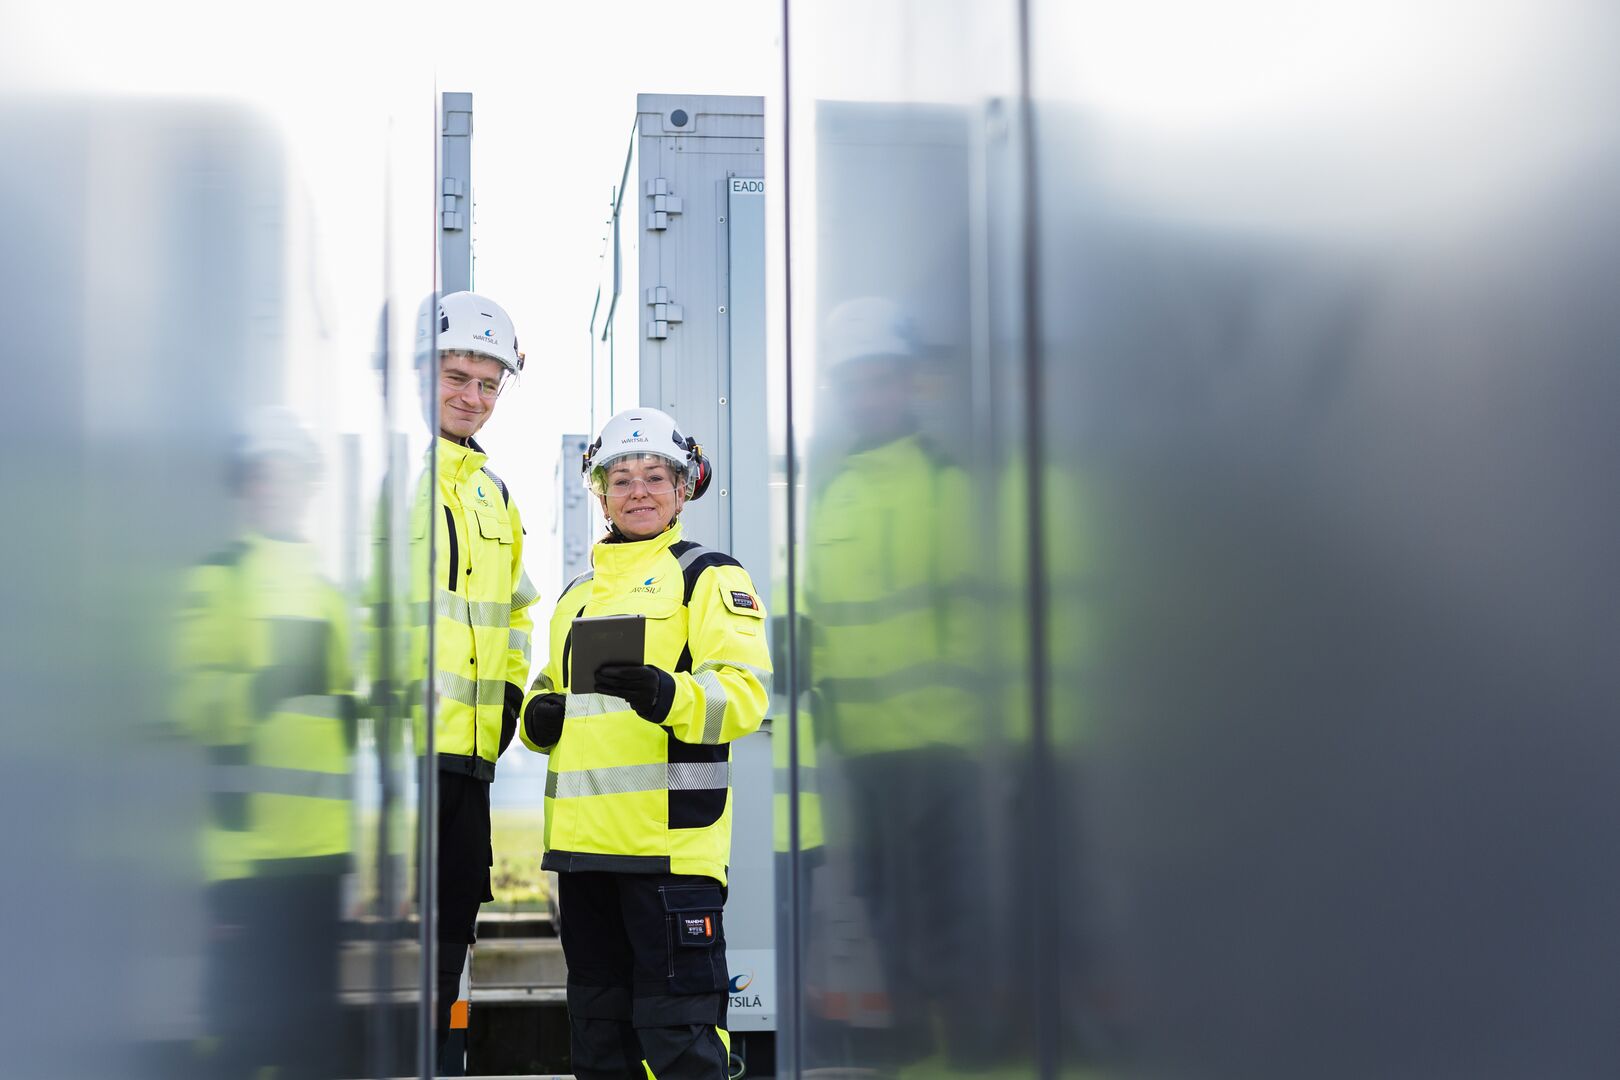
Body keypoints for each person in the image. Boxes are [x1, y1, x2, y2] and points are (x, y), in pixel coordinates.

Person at [519, 407, 771, 1080]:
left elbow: (745, 697)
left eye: (656, 476)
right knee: (600, 1045)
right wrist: (535, 719)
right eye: (621, 478)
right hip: (584, 857)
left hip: (668, 854)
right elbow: (551, 690)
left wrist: (671, 696)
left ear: (683, 489)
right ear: (599, 492)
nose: (639, 492)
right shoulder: (574, 596)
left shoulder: (709, 576)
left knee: (680, 1042)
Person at [176, 407, 354, 1078]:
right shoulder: (217, 580)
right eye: (262, 478)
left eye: (289, 477)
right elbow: (196, 707)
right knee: (241, 1032)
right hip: (245, 857)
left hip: (322, 852)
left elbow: (347, 719)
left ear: (307, 488)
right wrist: (263, 686)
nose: (276, 489)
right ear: (243, 488)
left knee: (311, 1036)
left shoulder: (327, 594)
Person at [414, 290, 540, 1073]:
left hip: (471, 757)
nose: (472, 397)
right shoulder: (392, 475)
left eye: (488, 385)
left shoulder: (495, 493)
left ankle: (442, 1057)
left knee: (454, 932)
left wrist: (510, 698)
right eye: (456, 376)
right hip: (405, 756)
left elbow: (516, 615)